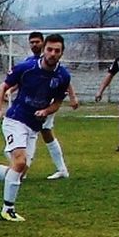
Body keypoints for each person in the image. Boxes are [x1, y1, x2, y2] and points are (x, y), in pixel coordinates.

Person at [0, 34, 71, 222]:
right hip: (15, 120)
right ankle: (7, 209)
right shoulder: (26, 68)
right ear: (44, 49)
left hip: (33, 127)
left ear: (62, 53)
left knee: (18, 171)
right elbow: (2, 87)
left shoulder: (63, 76)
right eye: (49, 49)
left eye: (57, 51)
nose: (52, 54)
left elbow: (58, 102)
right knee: (19, 163)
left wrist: (46, 110)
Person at [24, 31, 79, 179]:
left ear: (43, 44)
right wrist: (10, 89)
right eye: (32, 42)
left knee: (37, 131)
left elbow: (64, 80)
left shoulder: (53, 62)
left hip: (47, 104)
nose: (35, 44)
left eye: (37, 42)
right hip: (32, 104)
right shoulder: (30, 62)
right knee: (45, 132)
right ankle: (60, 169)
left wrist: (73, 97)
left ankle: (23, 167)